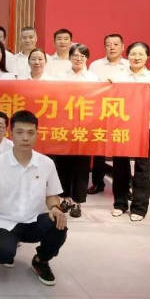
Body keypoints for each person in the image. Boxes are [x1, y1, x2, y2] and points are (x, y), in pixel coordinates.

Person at [0, 110, 67, 286]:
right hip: (5, 222)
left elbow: (51, 195)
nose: (25, 138)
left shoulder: (46, 163)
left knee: (59, 225)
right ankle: (3, 247)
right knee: (4, 254)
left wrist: (55, 208)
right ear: (11, 134)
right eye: (20, 132)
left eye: (30, 132)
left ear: (37, 134)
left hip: (34, 220)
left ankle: (41, 260)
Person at [112, 42, 150, 221]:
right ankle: (120, 204)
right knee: (120, 166)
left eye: (140, 54)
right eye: (133, 54)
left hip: (145, 127)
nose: (136, 57)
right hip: (122, 127)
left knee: (143, 168)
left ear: (147, 57)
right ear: (127, 56)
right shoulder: (119, 76)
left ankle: (139, 208)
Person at [55, 44, 99, 218]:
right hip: (64, 127)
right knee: (63, 164)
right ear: (70, 57)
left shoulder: (93, 78)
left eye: (82, 56)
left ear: (87, 58)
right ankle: (65, 199)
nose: (78, 58)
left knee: (81, 166)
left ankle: (77, 202)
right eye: (75, 55)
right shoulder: (60, 77)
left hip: (85, 128)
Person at [87, 33, 129, 194]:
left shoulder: (129, 65)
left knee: (122, 151)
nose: (112, 47)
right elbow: (89, 88)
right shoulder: (95, 65)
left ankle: (124, 187)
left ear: (123, 47)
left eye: (115, 44)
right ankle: (98, 183)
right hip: (100, 112)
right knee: (98, 150)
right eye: (108, 44)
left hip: (121, 113)